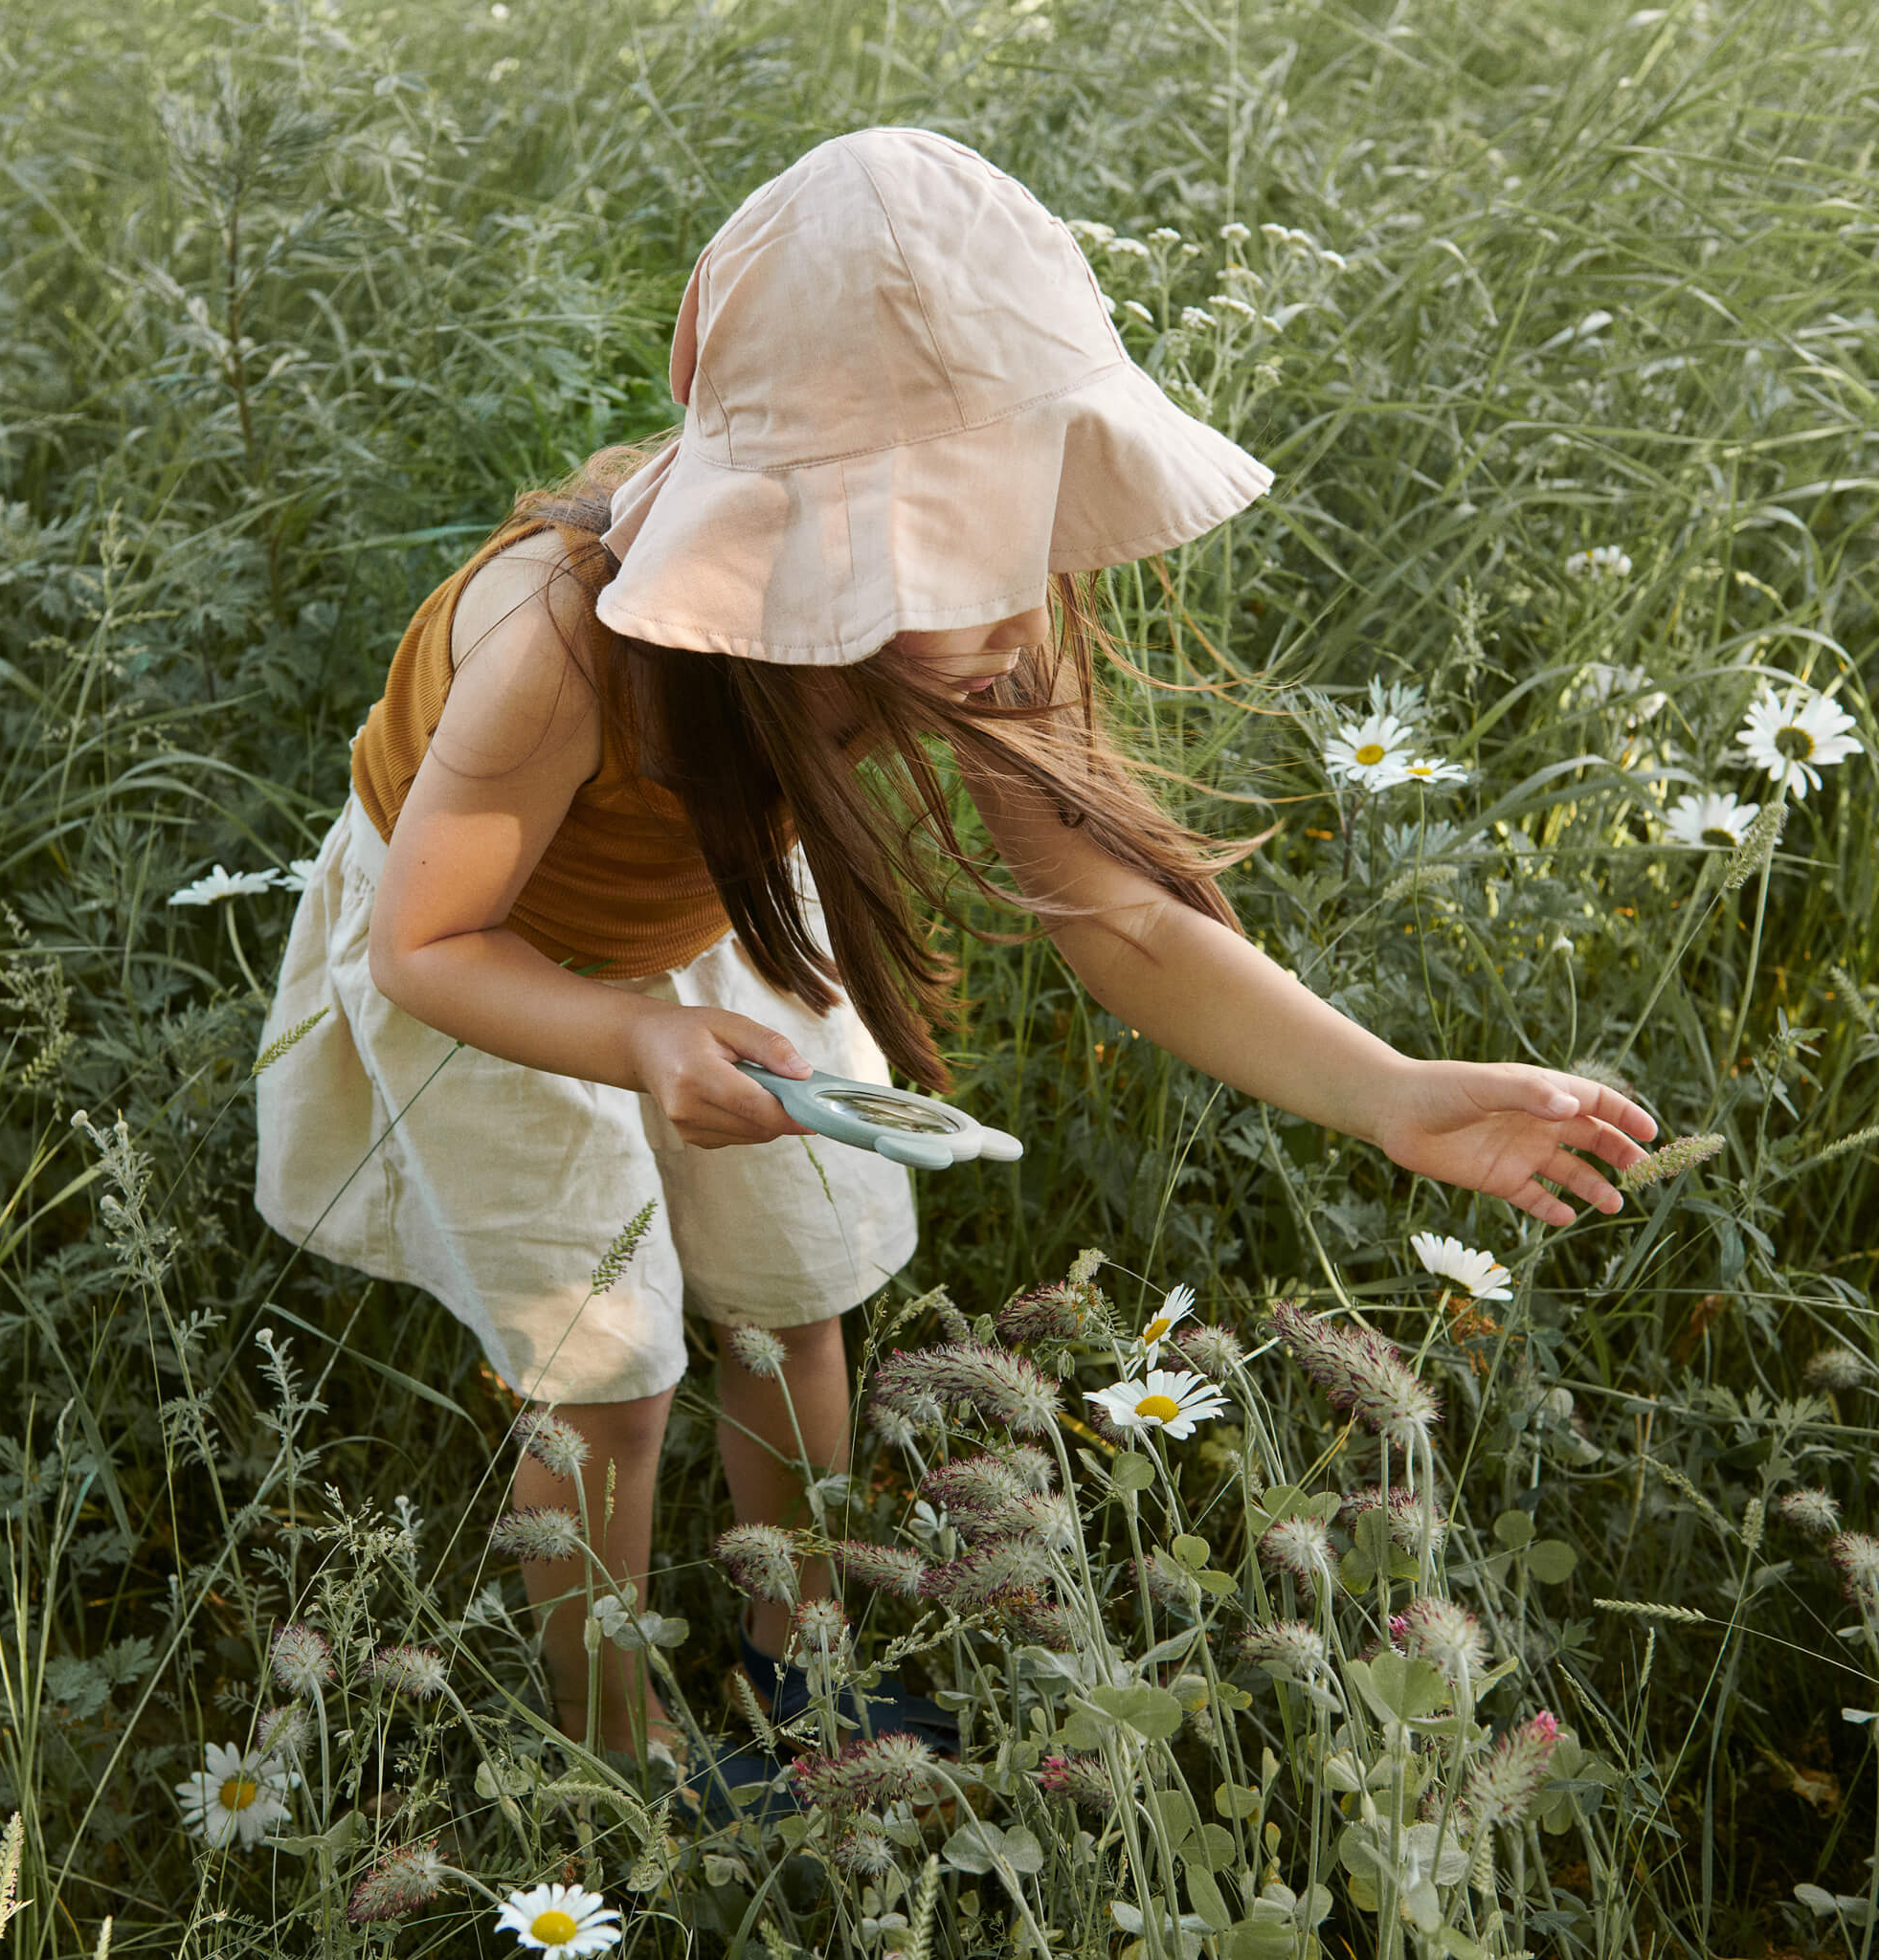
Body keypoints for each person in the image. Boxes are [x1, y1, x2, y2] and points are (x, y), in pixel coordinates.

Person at [253, 128, 1655, 1778]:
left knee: (799, 1289)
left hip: (712, 930)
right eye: (938, 546)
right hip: (501, 966)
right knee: (604, 1374)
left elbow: (1124, 915)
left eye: (1018, 521)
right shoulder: (566, 647)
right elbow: (429, 944)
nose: (998, 608)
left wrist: (1390, 1093)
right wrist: (635, 1045)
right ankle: (608, 1760)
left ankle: (809, 1680)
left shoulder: (992, 622)